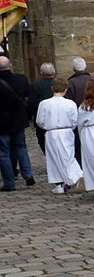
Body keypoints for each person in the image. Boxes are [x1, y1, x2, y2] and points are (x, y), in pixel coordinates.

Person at [34, 78, 82, 194]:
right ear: (65, 90)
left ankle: (60, 183)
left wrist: (47, 126)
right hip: (66, 131)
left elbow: (39, 120)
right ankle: (76, 175)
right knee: (69, 155)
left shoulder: (44, 104)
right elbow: (75, 120)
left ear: (52, 89)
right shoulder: (70, 104)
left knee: (53, 157)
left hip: (51, 132)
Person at [0, 55, 34, 190]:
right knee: (21, 147)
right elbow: (28, 95)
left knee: (3, 152)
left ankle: (9, 182)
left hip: (2, 123)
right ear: (10, 66)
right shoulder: (21, 79)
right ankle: (28, 174)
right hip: (18, 120)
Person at [65, 57, 92, 164]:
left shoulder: (70, 83)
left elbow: (68, 103)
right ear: (85, 67)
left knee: (78, 146)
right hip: (93, 119)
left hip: (77, 119)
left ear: (74, 69)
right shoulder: (93, 80)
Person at [28, 62, 56, 154]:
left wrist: (31, 116)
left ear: (41, 72)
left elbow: (32, 103)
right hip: (58, 117)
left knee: (43, 141)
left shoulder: (36, 86)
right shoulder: (59, 84)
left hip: (42, 119)